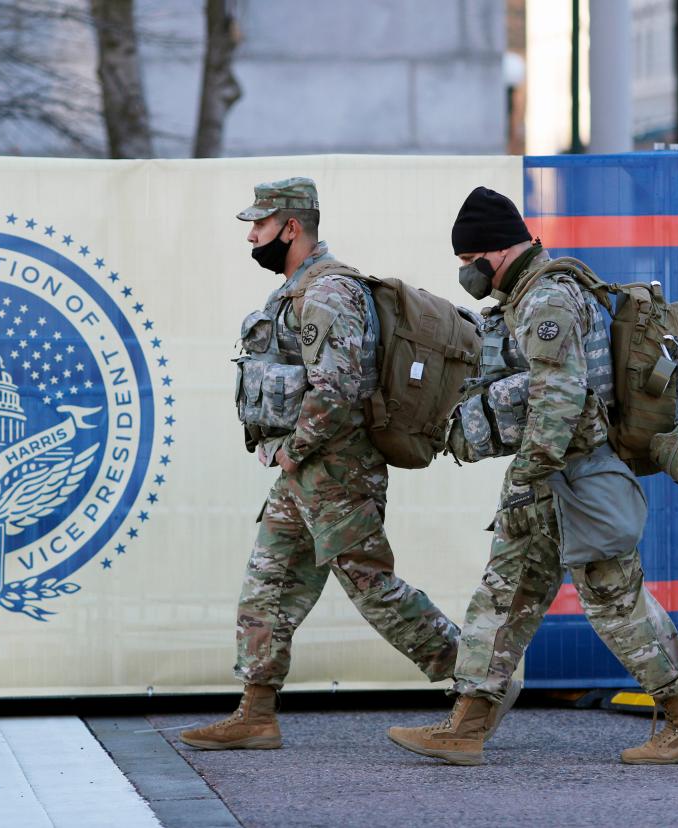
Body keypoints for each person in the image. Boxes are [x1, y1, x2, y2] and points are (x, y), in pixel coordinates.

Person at [387, 187, 678, 766]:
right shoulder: (532, 294)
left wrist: (530, 467)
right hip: (550, 477)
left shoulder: (547, 300)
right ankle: (467, 724)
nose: (466, 274)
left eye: (468, 263)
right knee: (506, 593)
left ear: (492, 251)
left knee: (614, 598)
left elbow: (560, 394)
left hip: (574, 474)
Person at [180, 177, 469, 750]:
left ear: (291, 227)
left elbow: (336, 389)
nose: (252, 237)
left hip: (336, 469)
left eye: (259, 225)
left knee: (370, 584)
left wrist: (292, 448)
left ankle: (478, 680)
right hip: (305, 471)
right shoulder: (296, 289)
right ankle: (256, 713)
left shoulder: (328, 292)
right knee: (268, 584)